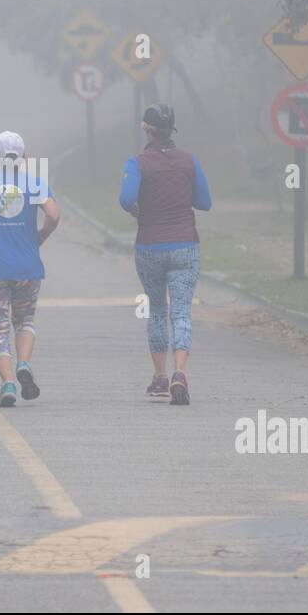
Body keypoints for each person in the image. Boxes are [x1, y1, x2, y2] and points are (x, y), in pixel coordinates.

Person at [118, 104, 212, 406]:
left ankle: (159, 376)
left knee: (157, 310)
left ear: (147, 130)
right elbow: (204, 201)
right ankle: (179, 373)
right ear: (172, 131)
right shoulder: (189, 161)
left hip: (149, 246)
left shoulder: (137, 163)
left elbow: (126, 198)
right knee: (182, 311)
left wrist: (138, 209)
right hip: (185, 244)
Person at [0, 131, 60, 407]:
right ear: (24, 157)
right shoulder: (35, 183)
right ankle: (24, 363)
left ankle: (7, 383)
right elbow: (53, 214)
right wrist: (41, 235)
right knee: (25, 321)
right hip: (27, 267)